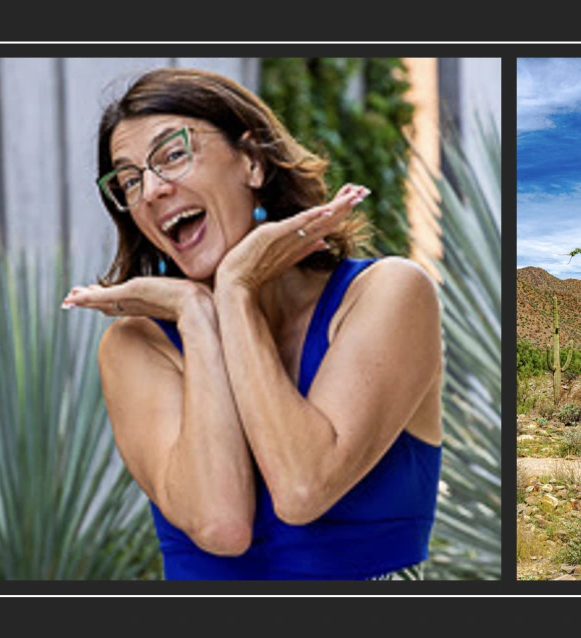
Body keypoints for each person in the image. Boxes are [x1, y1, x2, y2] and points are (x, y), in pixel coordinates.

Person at [61, 67, 443, 580]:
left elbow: (304, 486)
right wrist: (198, 316)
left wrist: (236, 291)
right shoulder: (136, 345)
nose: (151, 191)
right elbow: (221, 525)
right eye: (129, 180)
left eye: (172, 155)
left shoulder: (388, 294)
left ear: (253, 162)